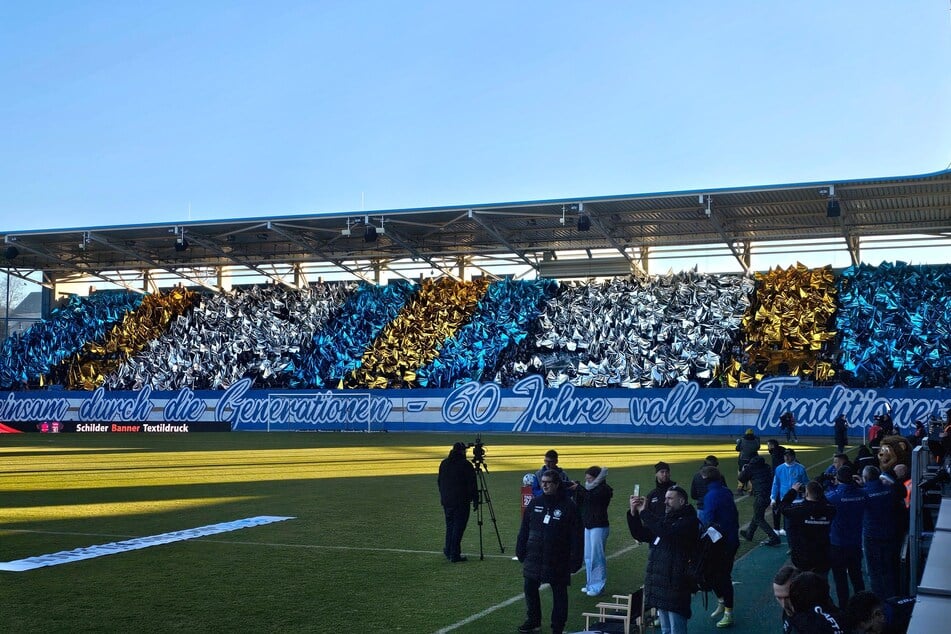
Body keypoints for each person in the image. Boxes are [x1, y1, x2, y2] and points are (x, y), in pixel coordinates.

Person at [516, 469, 583, 634]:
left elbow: (577, 535)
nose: (544, 485)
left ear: (557, 484)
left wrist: (576, 559)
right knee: (530, 588)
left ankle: (557, 627)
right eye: (542, 482)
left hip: (558, 557)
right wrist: (520, 548)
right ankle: (533, 621)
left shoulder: (569, 506)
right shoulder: (535, 502)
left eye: (548, 483)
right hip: (534, 555)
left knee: (559, 593)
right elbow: (524, 528)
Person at [627, 484, 698, 634]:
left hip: (676, 586)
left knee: (676, 630)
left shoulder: (689, 522)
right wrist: (634, 514)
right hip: (661, 586)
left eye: (670, 498)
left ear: (682, 501)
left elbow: (666, 532)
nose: (665, 502)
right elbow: (641, 534)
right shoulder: (667, 520)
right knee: (666, 630)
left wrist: (644, 512)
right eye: (665, 498)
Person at [699, 466, 740, 628]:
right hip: (729, 540)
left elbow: (708, 520)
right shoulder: (725, 491)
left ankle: (728, 612)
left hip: (721, 543)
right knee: (717, 574)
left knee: (722, 576)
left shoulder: (711, 496)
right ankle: (723, 603)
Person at [827, 464, 868, 610]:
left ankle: (844, 608)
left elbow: (822, 499)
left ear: (838, 478)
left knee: (840, 579)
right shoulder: (863, 493)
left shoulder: (833, 496)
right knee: (857, 576)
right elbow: (866, 491)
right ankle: (863, 606)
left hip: (837, 543)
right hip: (855, 542)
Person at [860, 466, 904, 601]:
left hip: (872, 536)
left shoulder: (864, 493)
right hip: (891, 533)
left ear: (865, 478)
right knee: (890, 568)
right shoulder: (890, 489)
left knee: (874, 571)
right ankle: (894, 598)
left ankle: (879, 600)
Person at [569, 465, 613, 597]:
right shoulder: (589, 489)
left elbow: (592, 498)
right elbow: (581, 502)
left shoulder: (604, 490)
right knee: (588, 557)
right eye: (586, 479)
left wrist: (580, 488)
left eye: (589, 479)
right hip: (588, 525)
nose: (587, 481)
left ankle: (598, 586)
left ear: (596, 478)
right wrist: (576, 490)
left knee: (597, 557)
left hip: (599, 526)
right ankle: (590, 583)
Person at [779, 480, 836, 576]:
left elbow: (783, 506)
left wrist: (793, 491)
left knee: (803, 587)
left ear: (806, 493)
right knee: (822, 586)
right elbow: (824, 503)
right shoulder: (830, 509)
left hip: (803, 557)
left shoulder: (799, 510)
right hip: (823, 556)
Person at [437, 441, 478, 563]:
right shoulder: (465, 465)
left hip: (447, 500)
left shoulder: (444, 463)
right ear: (462, 451)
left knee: (450, 526)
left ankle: (449, 549)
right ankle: (454, 553)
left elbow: (439, 482)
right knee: (458, 527)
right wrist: (475, 499)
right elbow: (472, 485)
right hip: (461, 502)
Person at [739, 454, 780, 546]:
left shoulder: (751, 468)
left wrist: (745, 469)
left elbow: (741, 478)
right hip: (771, 494)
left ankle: (774, 537)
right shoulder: (766, 467)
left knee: (758, 518)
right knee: (758, 514)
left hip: (761, 495)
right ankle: (749, 534)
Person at [771, 448, 809, 536]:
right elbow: (776, 484)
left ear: (794, 457)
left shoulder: (801, 468)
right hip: (784, 499)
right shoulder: (779, 469)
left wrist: (805, 494)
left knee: (797, 519)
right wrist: (773, 498)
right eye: (785, 456)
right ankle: (787, 531)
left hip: (798, 499)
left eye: (789, 456)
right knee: (787, 518)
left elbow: (806, 483)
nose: (787, 458)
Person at [772, 564, 799, 633]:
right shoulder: (789, 611)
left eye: (787, 597)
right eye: (779, 598)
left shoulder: (814, 623)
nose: (784, 604)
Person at [734, 429, 760, 494]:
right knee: (752, 474)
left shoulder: (742, 440)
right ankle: (751, 489)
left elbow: (737, 449)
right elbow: (758, 447)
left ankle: (740, 488)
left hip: (743, 459)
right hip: (753, 459)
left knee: (741, 472)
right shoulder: (756, 440)